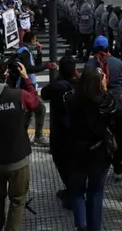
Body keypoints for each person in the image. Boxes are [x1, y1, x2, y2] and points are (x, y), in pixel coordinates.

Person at [0, 59, 39, 231]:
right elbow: (35, 101)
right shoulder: (19, 95)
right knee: (18, 200)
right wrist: (26, 78)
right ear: (5, 75)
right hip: (17, 158)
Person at [65, 66, 116, 231]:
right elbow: (113, 117)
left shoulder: (72, 100)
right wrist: (105, 89)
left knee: (77, 190)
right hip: (99, 152)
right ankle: (95, 227)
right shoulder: (106, 102)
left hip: (77, 151)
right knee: (96, 191)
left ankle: (81, 224)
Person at [85, 35, 122, 179]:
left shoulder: (90, 65)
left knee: (97, 137)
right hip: (117, 106)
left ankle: (99, 167)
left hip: (97, 107)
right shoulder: (118, 63)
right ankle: (118, 169)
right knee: (118, 137)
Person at [41, 55, 78, 208]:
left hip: (60, 131)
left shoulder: (57, 86)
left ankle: (72, 192)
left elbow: (43, 94)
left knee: (62, 161)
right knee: (73, 162)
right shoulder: (80, 84)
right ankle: (73, 189)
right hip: (77, 130)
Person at [16, 31, 53, 145]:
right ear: (31, 40)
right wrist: (45, 66)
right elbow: (29, 68)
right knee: (39, 109)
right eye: (35, 40)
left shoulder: (27, 51)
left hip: (28, 85)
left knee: (29, 112)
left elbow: (36, 64)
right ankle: (38, 136)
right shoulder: (24, 52)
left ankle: (24, 136)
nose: (36, 42)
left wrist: (39, 52)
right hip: (25, 86)